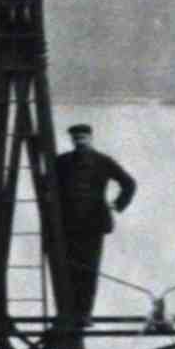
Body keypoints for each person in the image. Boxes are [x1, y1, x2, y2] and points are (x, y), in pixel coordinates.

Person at [54, 123, 137, 325]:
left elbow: (129, 183)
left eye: (83, 138)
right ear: (72, 140)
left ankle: (84, 314)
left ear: (91, 138)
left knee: (89, 271)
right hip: (66, 225)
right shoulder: (61, 161)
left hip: (93, 224)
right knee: (66, 270)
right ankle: (66, 313)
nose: (80, 142)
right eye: (76, 139)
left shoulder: (103, 161)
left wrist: (117, 205)